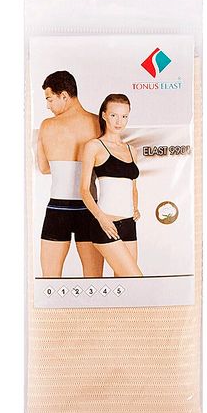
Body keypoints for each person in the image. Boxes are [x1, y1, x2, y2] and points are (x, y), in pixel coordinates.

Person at [38, 71, 103, 277]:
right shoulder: (98, 124)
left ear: (64, 96)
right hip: (90, 209)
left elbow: (44, 168)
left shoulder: (47, 126)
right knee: (94, 279)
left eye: (50, 99)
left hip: (58, 209)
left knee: (50, 279)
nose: (48, 106)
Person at [80, 94, 142, 277]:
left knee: (126, 286)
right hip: (106, 223)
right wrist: (101, 218)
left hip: (129, 224)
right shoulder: (94, 146)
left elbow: (133, 186)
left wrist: (135, 207)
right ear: (104, 115)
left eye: (124, 116)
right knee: (136, 279)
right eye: (114, 115)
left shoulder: (131, 150)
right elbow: (84, 190)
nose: (119, 121)